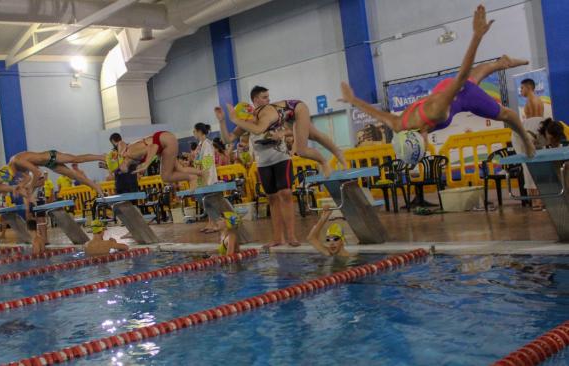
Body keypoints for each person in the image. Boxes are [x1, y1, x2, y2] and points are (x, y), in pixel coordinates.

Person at [340, 5, 536, 164]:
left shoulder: (435, 112)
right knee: (478, 74)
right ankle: (502, 62)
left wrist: (477, 36)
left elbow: (460, 78)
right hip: (444, 88)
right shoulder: (399, 125)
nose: (427, 145)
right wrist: (352, 99)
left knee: (507, 114)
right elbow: (377, 114)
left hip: (461, 94)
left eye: (424, 148)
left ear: (420, 139)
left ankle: (526, 140)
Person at [217, 106, 299, 248]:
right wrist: (222, 121)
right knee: (272, 199)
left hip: (281, 159)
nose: (247, 121)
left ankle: (291, 236)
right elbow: (227, 139)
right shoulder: (246, 126)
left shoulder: (271, 116)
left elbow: (294, 128)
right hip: (263, 164)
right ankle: (278, 238)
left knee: (285, 193)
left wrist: (283, 133)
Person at [226, 86, 347, 178]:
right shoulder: (250, 118)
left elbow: (259, 130)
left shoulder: (266, 113)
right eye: (265, 97)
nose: (269, 100)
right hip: (288, 117)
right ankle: (337, 153)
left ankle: (325, 162)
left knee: (303, 149)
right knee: (314, 135)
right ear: (255, 100)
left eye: (268, 97)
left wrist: (234, 119)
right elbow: (229, 139)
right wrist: (222, 121)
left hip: (297, 108)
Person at [111, 131, 202, 190]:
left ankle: (192, 177)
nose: (120, 171)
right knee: (180, 169)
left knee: (166, 177)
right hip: (165, 141)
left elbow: (153, 146)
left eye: (119, 169)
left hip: (163, 140)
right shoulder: (133, 160)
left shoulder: (130, 153)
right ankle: (201, 173)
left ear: (122, 163)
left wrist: (146, 164)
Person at [8, 150, 105, 197]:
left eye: (13, 178)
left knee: (77, 159)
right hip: (49, 164)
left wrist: (31, 187)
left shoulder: (18, 161)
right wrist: (20, 185)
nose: (15, 178)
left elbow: (37, 173)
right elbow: (28, 178)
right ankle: (95, 186)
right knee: (75, 176)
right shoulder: (15, 167)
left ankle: (101, 157)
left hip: (51, 156)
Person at [193, 123, 220, 233]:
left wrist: (203, 175)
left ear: (199, 131)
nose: (193, 134)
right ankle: (210, 223)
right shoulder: (200, 144)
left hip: (208, 176)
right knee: (205, 201)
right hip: (201, 175)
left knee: (210, 200)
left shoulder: (207, 144)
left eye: (194, 131)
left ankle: (215, 224)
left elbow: (208, 162)